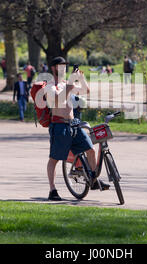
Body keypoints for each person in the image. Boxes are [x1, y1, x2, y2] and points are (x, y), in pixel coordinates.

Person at [45, 56, 109, 201]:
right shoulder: (50, 86)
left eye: (65, 66)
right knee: (54, 159)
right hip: (59, 125)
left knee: (91, 150)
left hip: (74, 124)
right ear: (54, 68)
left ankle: (92, 180)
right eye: (61, 66)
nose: (64, 69)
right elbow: (59, 99)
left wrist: (80, 78)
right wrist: (70, 83)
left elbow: (86, 90)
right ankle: (52, 190)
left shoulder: (65, 84)